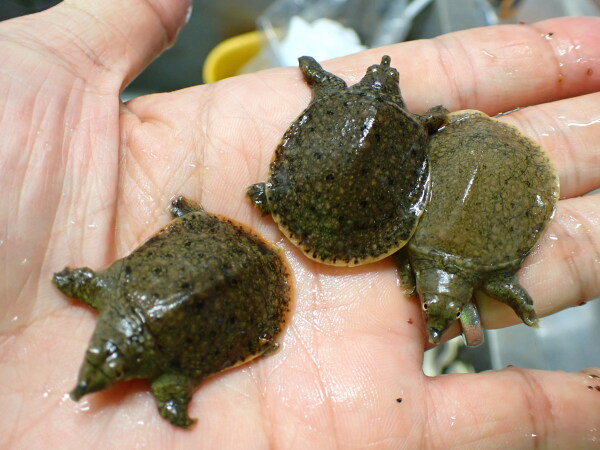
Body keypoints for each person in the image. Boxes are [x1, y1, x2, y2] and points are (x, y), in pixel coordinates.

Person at [0, 0, 598, 447]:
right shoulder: (410, 130)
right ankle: (268, 199)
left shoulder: (361, 109)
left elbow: (409, 176)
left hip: (307, 202)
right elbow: (414, 178)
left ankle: (269, 198)